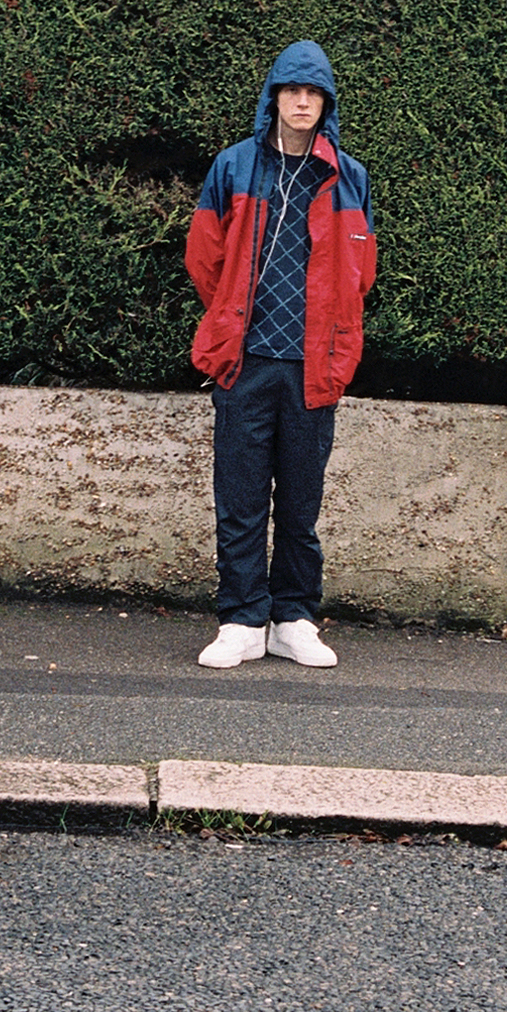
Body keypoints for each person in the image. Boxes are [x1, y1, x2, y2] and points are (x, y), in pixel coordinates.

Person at [184, 41, 377, 669]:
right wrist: (231, 317)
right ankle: (240, 618)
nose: (302, 101)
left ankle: (295, 616)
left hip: (313, 366)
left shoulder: (349, 177)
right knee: (239, 497)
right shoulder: (235, 167)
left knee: (301, 501)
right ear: (274, 99)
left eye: (313, 93)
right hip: (246, 361)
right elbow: (205, 255)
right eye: (292, 91)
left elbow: (360, 270)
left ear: (326, 104)